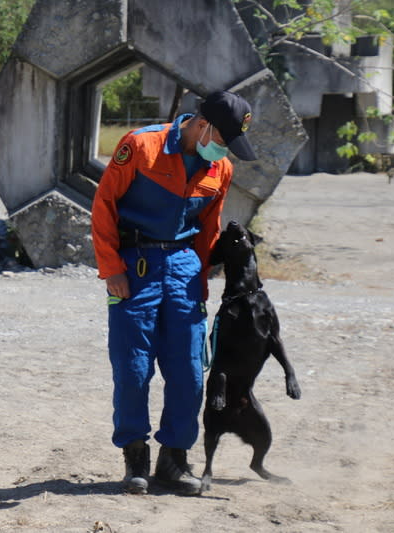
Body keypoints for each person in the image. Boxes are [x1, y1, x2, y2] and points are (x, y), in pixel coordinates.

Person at [91, 90, 257, 496]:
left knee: (187, 370)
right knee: (132, 369)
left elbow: (209, 230)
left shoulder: (220, 168)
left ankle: (174, 460)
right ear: (203, 125)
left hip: (183, 269)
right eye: (223, 139)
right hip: (136, 266)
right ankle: (135, 457)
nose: (223, 150)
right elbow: (104, 206)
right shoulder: (140, 146)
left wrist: (200, 282)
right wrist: (112, 268)